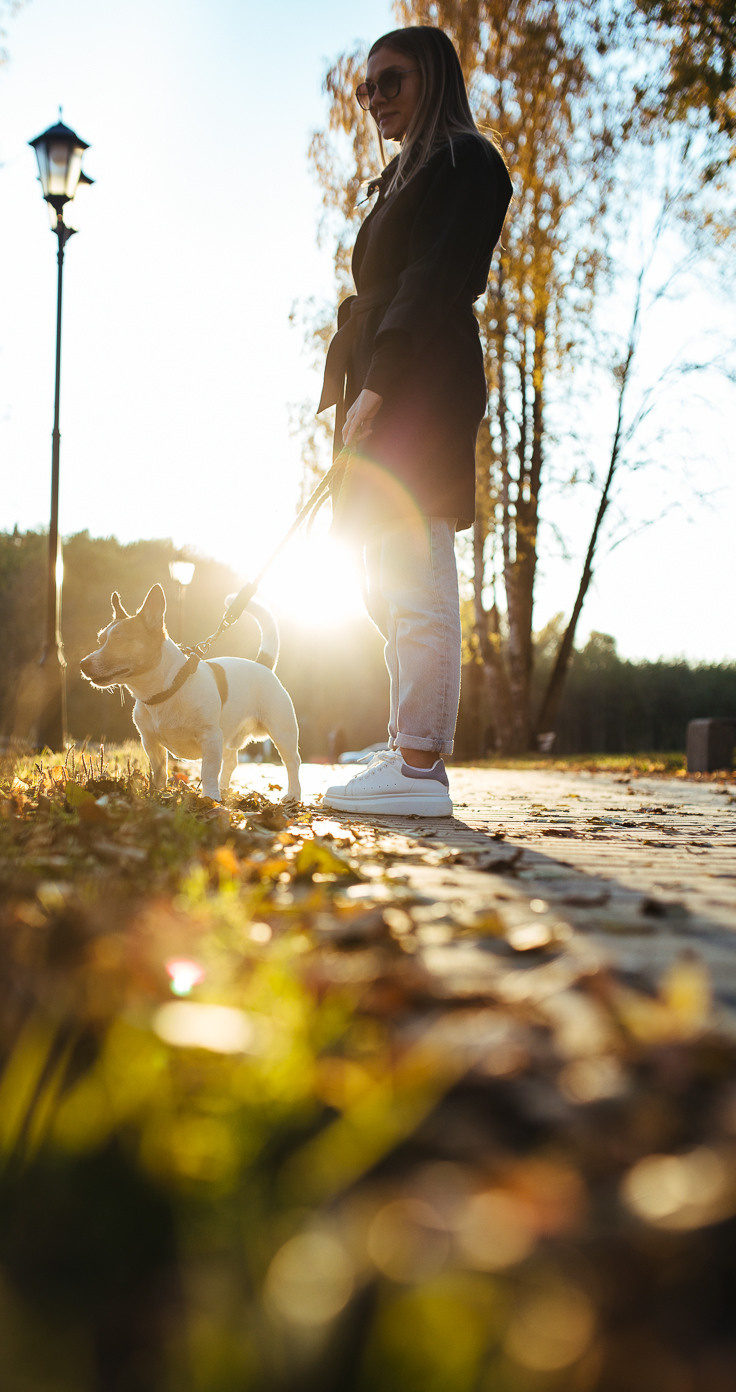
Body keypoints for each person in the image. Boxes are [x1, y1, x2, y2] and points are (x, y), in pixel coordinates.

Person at [319, 26, 512, 817]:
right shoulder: (399, 177)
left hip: (420, 383)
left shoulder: (467, 163)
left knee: (413, 562)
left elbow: (430, 281)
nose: (373, 101)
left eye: (389, 82)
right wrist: (354, 390)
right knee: (377, 577)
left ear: (433, 76)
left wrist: (380, 387)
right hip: (382, 380)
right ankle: (409, 739)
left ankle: (421, 764)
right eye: (365, 89)